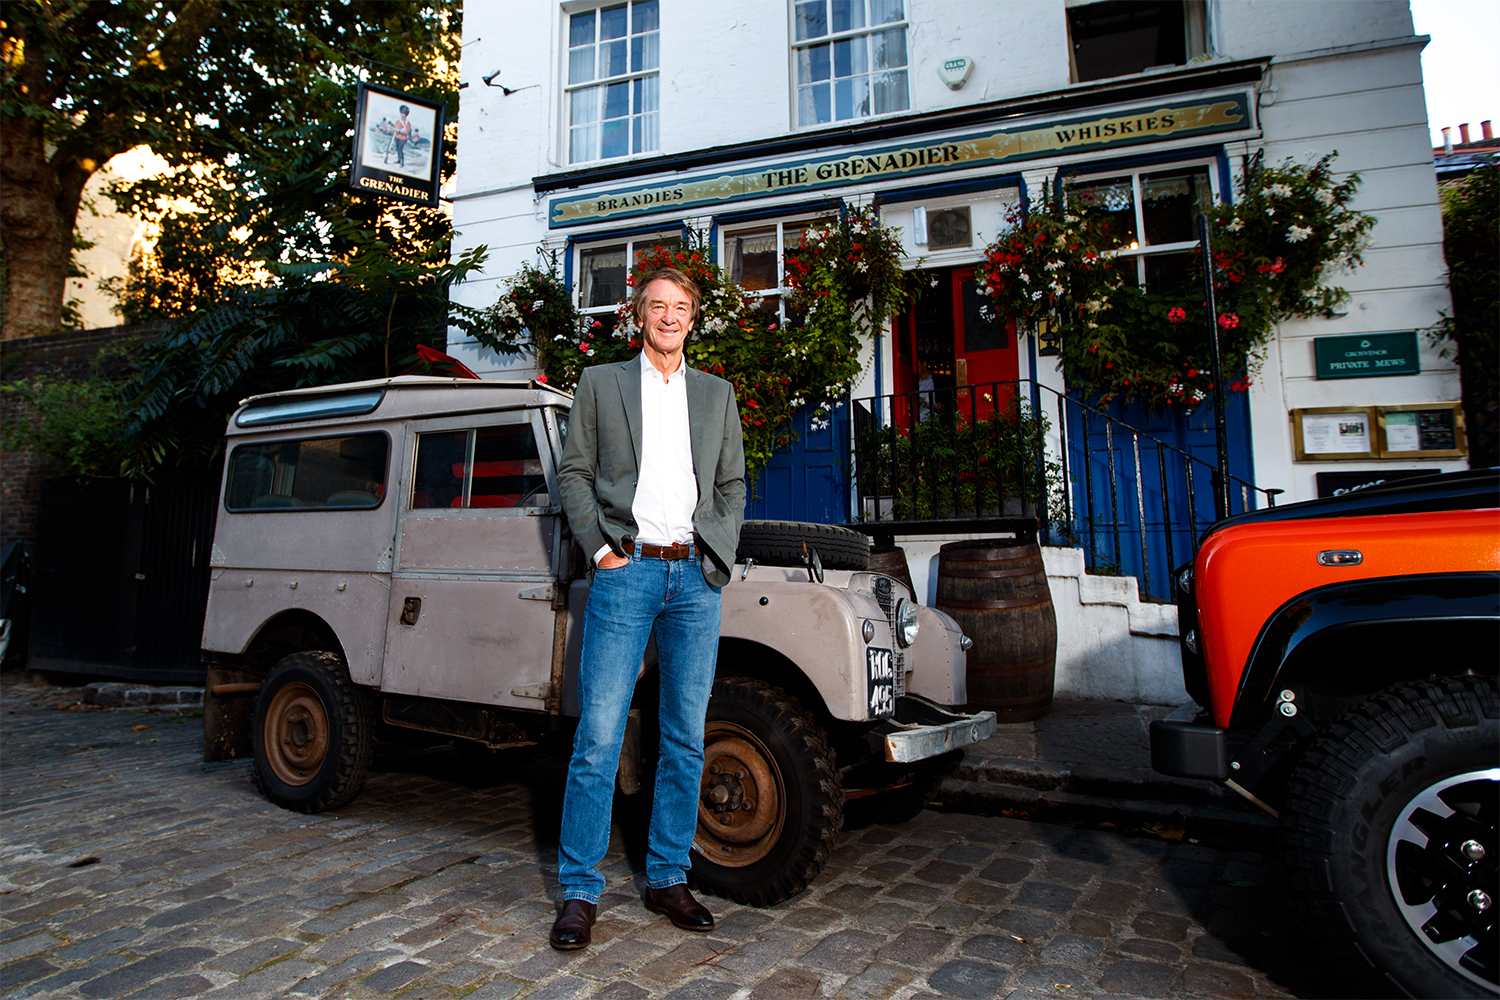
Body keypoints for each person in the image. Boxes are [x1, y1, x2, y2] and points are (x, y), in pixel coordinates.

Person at [550, 267, 746, 950]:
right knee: (599, 735)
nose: (669, 317)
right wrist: (602, 552)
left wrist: (717, 553)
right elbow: (572, 472)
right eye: (657, 306)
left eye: (680, 307)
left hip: (695, 578)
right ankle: (578, 891)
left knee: (685, 736)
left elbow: (731, 483)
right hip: (626, 572)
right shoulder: (602, 384)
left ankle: (667, 876)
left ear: (693, 318)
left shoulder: (718, 394)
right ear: (639, 317)